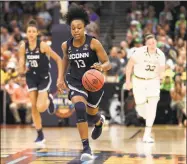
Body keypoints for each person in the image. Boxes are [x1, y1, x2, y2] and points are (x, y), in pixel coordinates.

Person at [61, 5, 111, 161]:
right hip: (75, 81)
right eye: (73, 28)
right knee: (80, 107)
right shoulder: (66, 45)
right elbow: (65, 61)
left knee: (92, 115)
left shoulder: (93, 43)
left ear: (84, 27)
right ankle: (86, 147)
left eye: (79, 27)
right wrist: (60, 78)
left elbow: (107, 62)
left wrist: (101, 67)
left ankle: (99, 121)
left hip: (93, 82)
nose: (76, 30)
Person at [18, 19, 63, 144]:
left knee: (40, 107)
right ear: (26, 33)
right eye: (29, 31)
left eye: (33, 31)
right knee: (33, 107)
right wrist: (21, 68)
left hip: (43, 77)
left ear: (37, 33)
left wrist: (59, 78)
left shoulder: (43, 45)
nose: (31, 34)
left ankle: (48, 99)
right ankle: (40, 134)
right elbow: (21, 64)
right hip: (31, 77)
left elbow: (58, 59)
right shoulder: (23, 47)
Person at [125, 34, 166, 143]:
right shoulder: (138, 52)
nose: (152, 45)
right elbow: (129, 67)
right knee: (141, 106)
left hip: (153, 81)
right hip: (139, 81)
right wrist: (128, 81)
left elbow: (162, 70)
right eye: (149, 43)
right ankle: (143, 112)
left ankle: (146, 135)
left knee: (152, 109)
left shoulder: (161, 55)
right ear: (146, 44)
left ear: (156, 42)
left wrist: (161, 76)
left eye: (153, 42)